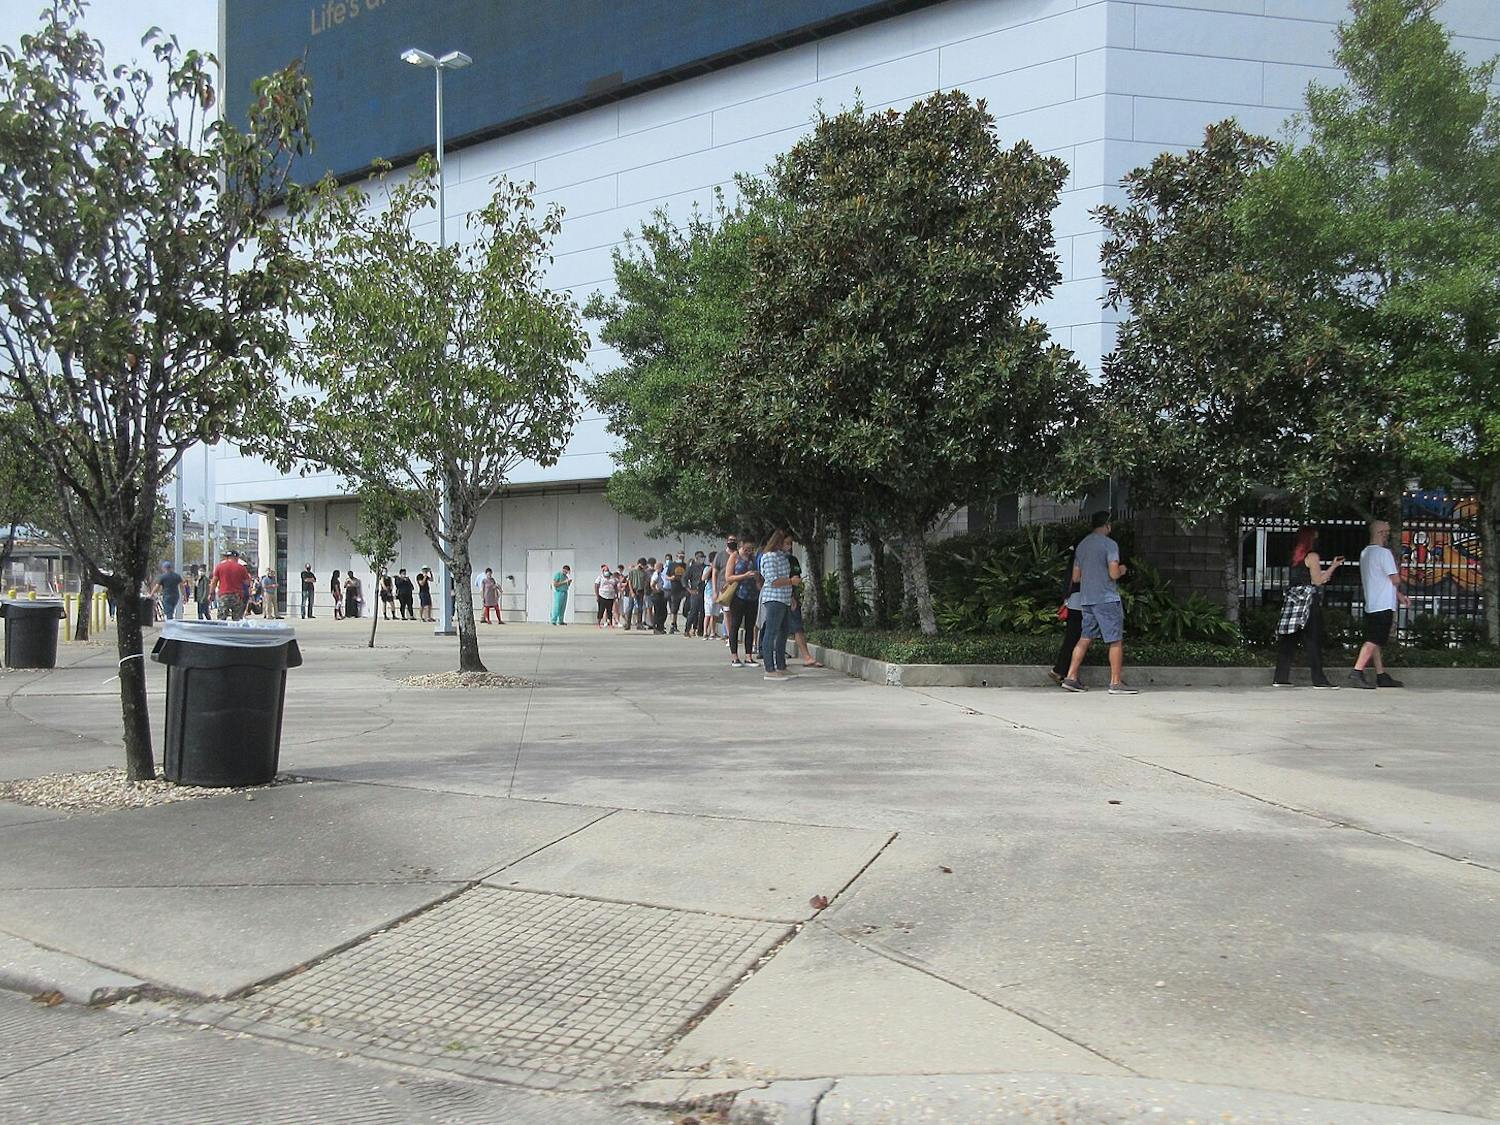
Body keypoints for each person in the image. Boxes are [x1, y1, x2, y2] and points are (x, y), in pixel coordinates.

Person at [1061, 511, 1136, 695]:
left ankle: (1071, 677)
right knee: (1115, 640)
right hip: (1106, 599)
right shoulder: (1110, 545)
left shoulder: (1083, 545)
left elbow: (1076, 577)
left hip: (1087, 599)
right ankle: (1116, 682)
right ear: (1107, 525)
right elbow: (1113, 574)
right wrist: (1122, 569)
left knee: (1085, 637)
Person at [1273, 525, 1343, 689]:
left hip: (1294, 600)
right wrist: (1333, 567)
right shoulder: (1312, 556)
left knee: (1289, 639)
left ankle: (1280, 677)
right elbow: (1318, 581)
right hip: (1308, 600)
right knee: (1313, 639)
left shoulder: (1296, 557)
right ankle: (1319, 679)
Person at [1348, 520, 1408, 689]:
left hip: (1372, 602)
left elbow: (1380, 580)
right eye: (1386, 532)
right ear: (1381, 533)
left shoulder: (1365, 553)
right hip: (1383, 605)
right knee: (1374, 640)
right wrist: (1399, 581)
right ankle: (1357, 670)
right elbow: (1394, 579)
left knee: (1373, 640)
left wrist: (1399, 595)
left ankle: (1381, 674)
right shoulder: (1384, 554)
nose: (1388, 535)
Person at [756, 530, 801, 681]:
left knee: (783, 632)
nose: (789, 546)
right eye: (786, 543)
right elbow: (773, 580)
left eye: (790, 543)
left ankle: (781, 665)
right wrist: (791, 582)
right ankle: (769, 668)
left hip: (785, 598)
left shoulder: (783, 557)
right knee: (771, 632)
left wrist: (792, 596)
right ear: (778, 542)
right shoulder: (769, 557)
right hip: (774, 598)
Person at [1049, 550, 1084, 684]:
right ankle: (1063, 671)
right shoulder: (1081, 558)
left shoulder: (1075, 558)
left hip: (1074, 602)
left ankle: (1062, 671)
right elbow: (1076, 579)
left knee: (1072, 638)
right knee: (1076, 639)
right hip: (1079, 603)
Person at [727, 538, 760, 666]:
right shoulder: (734, 557)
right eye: (746, 549)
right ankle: (734, 656)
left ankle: (748, 656)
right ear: (740, 546)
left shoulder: (753, 558)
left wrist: (757, 578)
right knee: (735, 625)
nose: (748, 551)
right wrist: (744, 576)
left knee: (750, 626)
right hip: (738, 595)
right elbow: (729, 577)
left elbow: (759, 578)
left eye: (751, 549)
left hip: (752, 596)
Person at [209, 549, 252, 621]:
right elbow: (247, 583)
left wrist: (211, 593)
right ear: (236, 557)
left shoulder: (219, 567)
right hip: (237, 595)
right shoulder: (241, 568)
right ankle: (236, 631)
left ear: (227, 557)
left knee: (221, 618)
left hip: (223, 595)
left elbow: (214, 582)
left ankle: (221, 631)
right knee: (237, 619)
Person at [683, 551, 705, 637]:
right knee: (693, 611)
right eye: (700, 557)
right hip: (695, 591)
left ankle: (700, 630)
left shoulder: (706, 567)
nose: (702, 559)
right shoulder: (691, 568)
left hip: (704, 592)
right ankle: (687, 629)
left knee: (703, 612)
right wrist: (689, 589)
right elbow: (684, 579)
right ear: (696, 558)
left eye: (703, 557)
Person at [625, 557, 648, 630]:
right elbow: (629, 582)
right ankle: (628, 624)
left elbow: (645, 582)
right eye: (642, 565)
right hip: (633, 590)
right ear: (639, 564)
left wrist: (644, 592)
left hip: (640, 591)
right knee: (630, 608)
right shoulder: (632, 571)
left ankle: (639, 624)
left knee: (640, 608)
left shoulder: (644, 572)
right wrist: (631, 592)